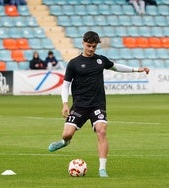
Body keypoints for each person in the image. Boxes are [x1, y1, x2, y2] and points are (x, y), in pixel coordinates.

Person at [48, 31, 150, 178]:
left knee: (101, 131)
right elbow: (65, 86)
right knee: (67, 133)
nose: (91, 49)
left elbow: (116, 67)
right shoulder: (74, 63)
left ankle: (102, 169)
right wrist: (65, 104)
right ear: (83, 43)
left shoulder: (101, 60)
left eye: (94, 47)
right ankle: (65, 142)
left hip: (97, 104)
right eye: (89, 46)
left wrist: (137, 69)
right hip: (79, 106)